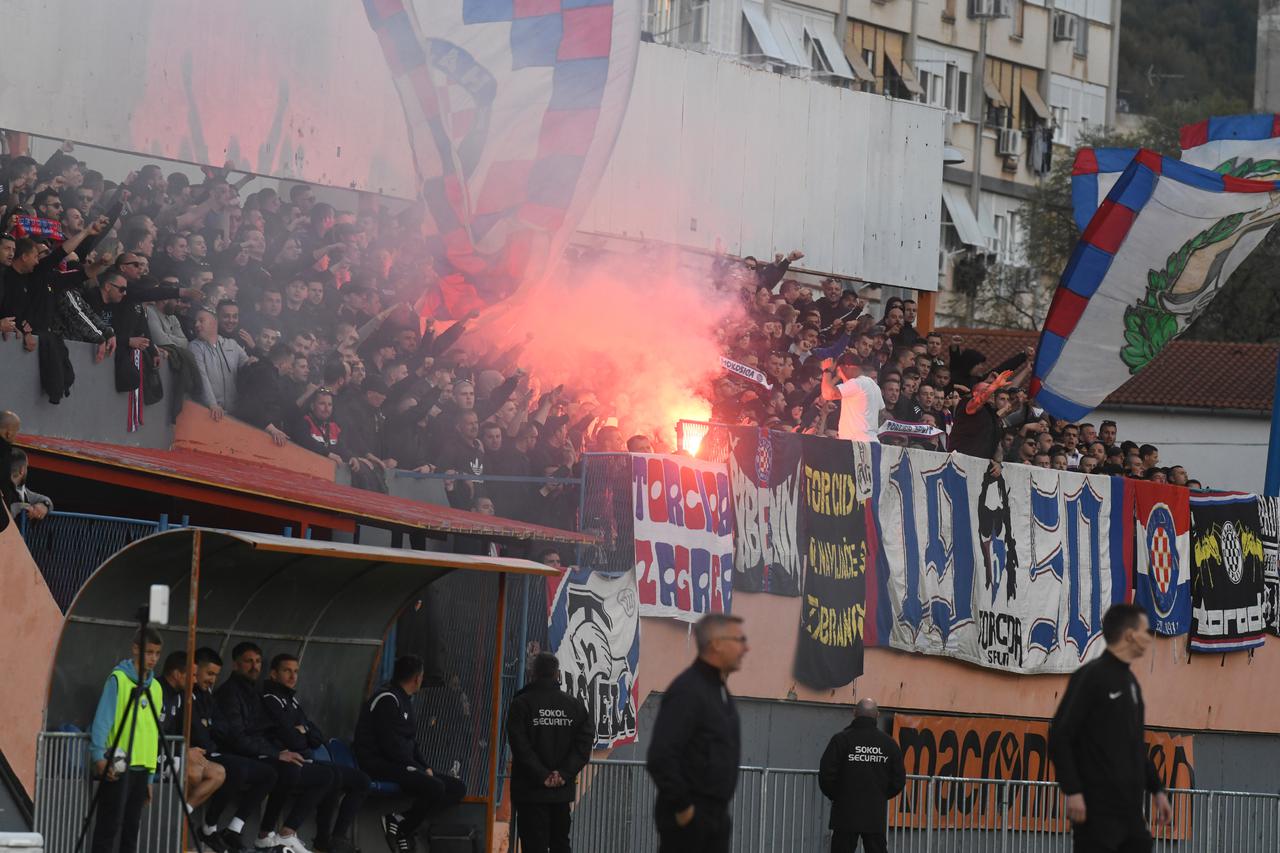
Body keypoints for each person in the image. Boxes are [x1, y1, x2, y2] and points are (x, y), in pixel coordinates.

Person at [1049, 603, 1173, 852]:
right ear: (1129, 635)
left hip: (1130, 812)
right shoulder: (1092, 676)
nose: (1149, 638)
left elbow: (1134, 745)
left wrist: (1158, 789)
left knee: (1141, 844)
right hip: (1096, 811)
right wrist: (1073, 790)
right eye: (1145, 631)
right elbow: (1060, 735)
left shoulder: (1131, 682)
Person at [215, 642, 332, 853]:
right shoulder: (231, 693)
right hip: (238, 754)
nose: (254, 666)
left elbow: (310, 734)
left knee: (327, 775)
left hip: (257, 751)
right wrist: (276, 753)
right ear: (235, 664)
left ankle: (317, 839)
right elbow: (238, 738)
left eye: (258, 661)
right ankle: (262, 833)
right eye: (248, 661)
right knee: (283, 770)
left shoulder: (255, 692)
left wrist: (297, 736)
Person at [646, 613, 748, 853]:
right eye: (739, 640)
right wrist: (685, 809)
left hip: (714, 821)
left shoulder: (717, 690)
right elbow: (661, 756)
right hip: (691, 825)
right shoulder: (689, 690)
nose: (746, 648)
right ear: (716, 644)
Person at [354, 654, 467, 852]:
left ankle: (401, 821)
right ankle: (404, 830)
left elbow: (411, 743)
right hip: (378, 763)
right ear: (417, 678)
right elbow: (390, 746)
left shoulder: (405, 700)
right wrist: (416, 768)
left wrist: (425, 767)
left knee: (457, 788)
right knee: (435, 787)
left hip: (401, 763)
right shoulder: (387, 699)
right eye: (421, 676)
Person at [262, 653, 370, 853]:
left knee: (361, 780)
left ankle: (335, 839)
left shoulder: (291, 700)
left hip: (305, 757)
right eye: (287, 671)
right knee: (329, 776)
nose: (293, 676)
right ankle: (294, 833)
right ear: (273, 674)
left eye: (296, 671)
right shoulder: (271, 699)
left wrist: (303, 730)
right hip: (283, 760)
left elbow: (317, 736)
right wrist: (303, 733)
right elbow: (292, 739)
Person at [192, 647, 279, 853]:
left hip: (217, 750)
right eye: (209, 673)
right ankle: (209, 826)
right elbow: (207, 731)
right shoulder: (194, 694)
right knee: (238, 769)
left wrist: (209, 724)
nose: (212, 680)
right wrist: (209, 726)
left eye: (215, 675)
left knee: (270, 773)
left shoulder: (209, 694)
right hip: (203, 753)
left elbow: (221, 726)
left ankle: (234, 829)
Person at [505, 652, 594, 853]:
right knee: (560, 844)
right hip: (560, 793)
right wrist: (563, 774)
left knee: (533, 846)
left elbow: (519, 746)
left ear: (533, 673)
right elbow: (584, 745)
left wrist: (542, 775)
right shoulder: (574, 706)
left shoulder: (521, 704)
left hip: (530, 793)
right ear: (557, 674)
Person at [88, 628, 165, 853]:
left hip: (142, 769)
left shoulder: (156, 688)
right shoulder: (118, 679)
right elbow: (102, 721)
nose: (153, 658)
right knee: (108, 828)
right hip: (118, 766)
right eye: (149, 652)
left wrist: (150, 776)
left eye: (157, 653)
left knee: (132, 830)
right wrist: (98, 756)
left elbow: (153, 733)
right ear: (135, 649)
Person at [818, 699, 905, 853]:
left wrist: (838, 795)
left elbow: (826, 774)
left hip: (845, 812)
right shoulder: (889, 743)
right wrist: (880, 794)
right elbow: (898, 779)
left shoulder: (841, 740)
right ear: (877, 715)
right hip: (874, 812)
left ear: (854, 713)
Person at [156, 651, 226, 811]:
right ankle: (173, 814)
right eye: (192, 675)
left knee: (218, 772)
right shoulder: (156, 690)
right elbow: (150, 734)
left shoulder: (180, 695)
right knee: (194, 773)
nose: (195, 680)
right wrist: (184, 751)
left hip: (172, 752)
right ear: (177, 674)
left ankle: (184, 812)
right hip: (155, 755)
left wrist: (187, 751)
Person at [819, 353, 884, 443]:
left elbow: (827, 393)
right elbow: (882, 413)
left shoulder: (857, 383)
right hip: (873, 442)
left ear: (846, 367)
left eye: (839, 372)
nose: (841, 378)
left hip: (857, 443)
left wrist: (827, 371)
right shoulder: (875, 386)